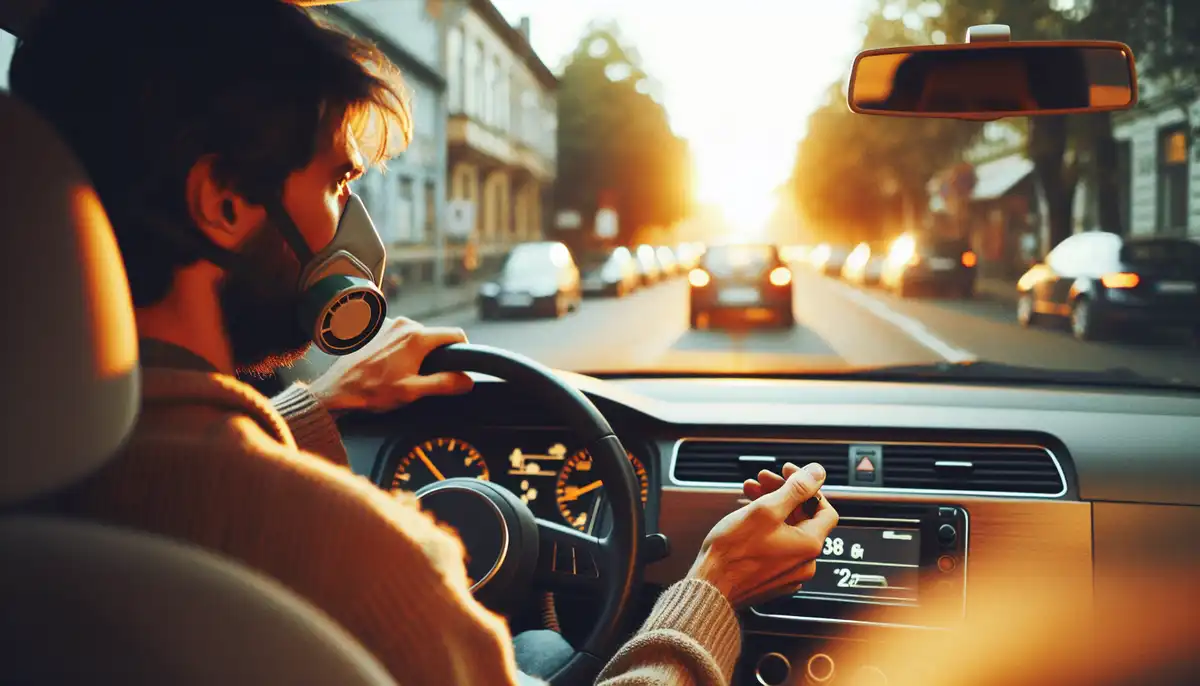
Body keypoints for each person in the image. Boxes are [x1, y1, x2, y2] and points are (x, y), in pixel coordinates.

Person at [9, 1, 839, 684]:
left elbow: (176, 470)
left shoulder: (41, 474)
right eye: (337, 180)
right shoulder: (361, 557)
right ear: (224, 201)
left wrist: (316, 407)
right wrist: (713, 589)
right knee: (545, 653)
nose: (350, 223)